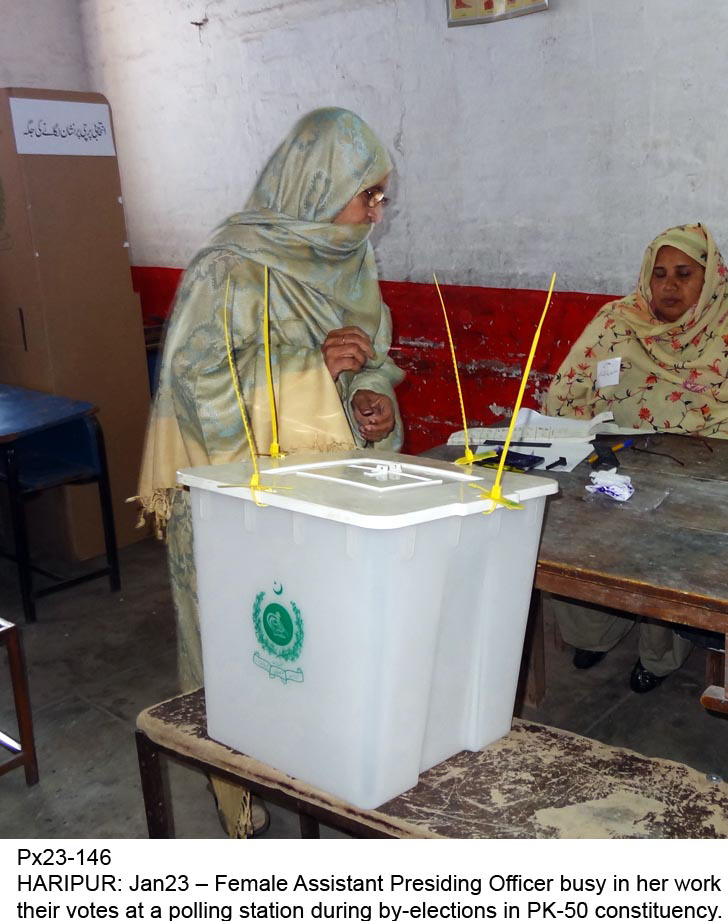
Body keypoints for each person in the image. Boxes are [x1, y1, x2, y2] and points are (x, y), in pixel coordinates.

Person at [135, 108, 406, 834]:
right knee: (249, 649)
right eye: (367, 196)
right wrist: (313, 374)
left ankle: (321, 769)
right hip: (234, 508)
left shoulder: (345, 258)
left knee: (314, 648)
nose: (375, 213)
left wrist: (372, 397)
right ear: (319, 187)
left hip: (318, 494)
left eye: (382, 197)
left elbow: (365, 355)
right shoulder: (225, 272)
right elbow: (202, 396)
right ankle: (242, 808)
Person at [544, 223, 728, 693]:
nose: (669, 285)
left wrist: (685, 451)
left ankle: (660, 653)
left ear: (709, 281)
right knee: (570, 513)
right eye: (658, 274)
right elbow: (564, 397)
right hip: (612, 463)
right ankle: (595, 631)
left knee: (674, 524)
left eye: (683, 274)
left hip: (686, 476)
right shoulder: (616, 323)